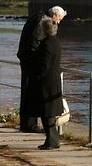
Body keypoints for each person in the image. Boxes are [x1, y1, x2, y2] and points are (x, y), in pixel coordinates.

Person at [17, 6, 67, 133]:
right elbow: (36, 42)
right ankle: (29, 125)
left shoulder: (37, 16)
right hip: (31, 62)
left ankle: (27, 123)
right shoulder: (43, 22)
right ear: (54, 15)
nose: (59, 22)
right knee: (31, 93)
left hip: (26, 59)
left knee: (28, 93)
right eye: (59, 19)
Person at [27, 18, 63, 150]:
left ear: (43, 30)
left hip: (46, 83)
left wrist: (36, 76)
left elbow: (43, 65)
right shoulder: (56, 42)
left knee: (47, 113)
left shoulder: (46, 44)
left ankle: (52, 140)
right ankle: (52, 139)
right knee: (49, 113)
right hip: (53, 81)